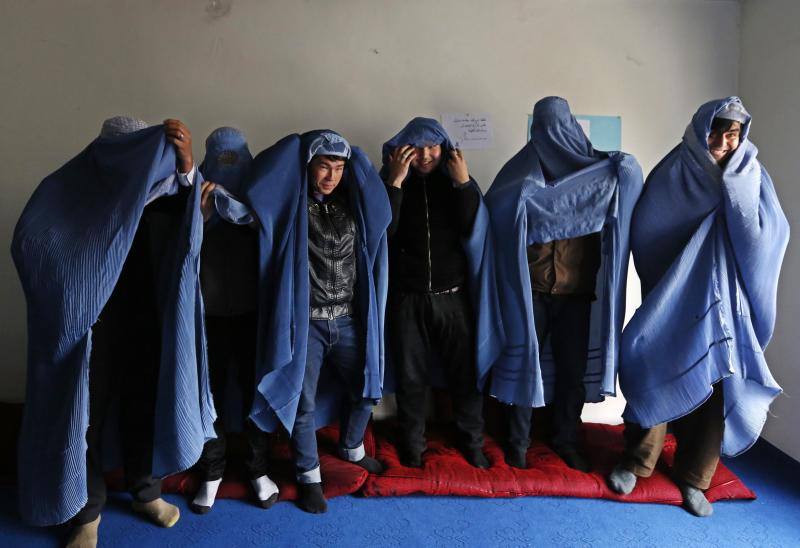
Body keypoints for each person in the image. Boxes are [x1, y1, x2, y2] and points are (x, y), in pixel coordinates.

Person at [12, 116, 215, 548]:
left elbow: (185, 222)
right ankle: (88, 512)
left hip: (146, 318)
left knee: (143, 404)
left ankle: (146, 492)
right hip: (92, 328)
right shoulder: (75, 189)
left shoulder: (160, 192)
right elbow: (33, 240)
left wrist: (184, 164)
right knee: (86, 414)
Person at [609, 97, 790, 517]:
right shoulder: (676, 170)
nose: (723, 142)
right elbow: (650, 230)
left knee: (714, 382)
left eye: (733, 135)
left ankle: (695, 478)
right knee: (652, 361)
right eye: (716, 132)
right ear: (699, 128)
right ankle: (636, 461)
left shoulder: (751, 174)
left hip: (726, 300)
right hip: (674, 297)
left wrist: (732, 203)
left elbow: (771, 233)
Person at [485, 97, 643, 471]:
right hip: (532, 292)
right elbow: (497, 208)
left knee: (571, 373)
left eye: (558, 127)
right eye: (543, 128)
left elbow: (631, 187)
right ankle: (518, 443)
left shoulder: (600, 173)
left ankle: (567, 440)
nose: (551, 136)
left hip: (575, 292)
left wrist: (624, 168)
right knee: (526, 364)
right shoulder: (522, 173)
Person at [242, 130, 391, 514]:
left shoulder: (350, 207)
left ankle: (351, 446)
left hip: (345, 318)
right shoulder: (291, 208)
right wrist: (297, 143)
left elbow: (381, 208)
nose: (331, 175)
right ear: (308, 166)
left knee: (366, 384)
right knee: (302, 402)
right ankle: (309, 476)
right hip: (305, 323)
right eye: (324, 165)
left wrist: (354, 157)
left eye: (339, 168)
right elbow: (260, 185)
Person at [381, 118, 504, 469]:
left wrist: (463, 181)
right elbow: (383, 231)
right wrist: (395, 182)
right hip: (408, 297)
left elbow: (473, 228)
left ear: (444, 148)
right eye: (415, 148)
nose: (424, 155)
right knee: (410, 377)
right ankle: (412, 446)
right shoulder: (387, 182)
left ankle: (472, 443)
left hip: (453, 297)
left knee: (464, 375)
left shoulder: (457, 182)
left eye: (431, 147)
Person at [191, 127, 278, 513]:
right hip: (205, 316)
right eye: (220, 160)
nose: (228, 169)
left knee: (254, 391)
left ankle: (258, 470)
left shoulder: (262, 197)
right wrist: (202, 220)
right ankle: (211, 472)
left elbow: (277, 245)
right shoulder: (193, 196)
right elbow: (178, 257)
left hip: (252, 314)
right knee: (205, 393)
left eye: (235, 159)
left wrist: (252, 218)